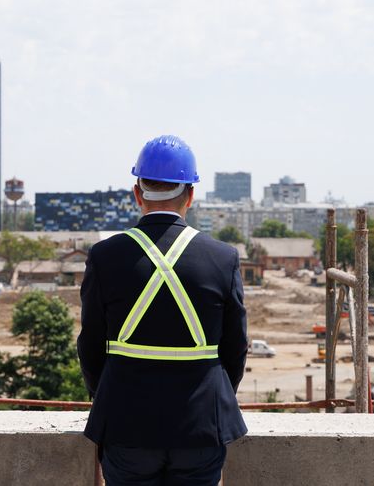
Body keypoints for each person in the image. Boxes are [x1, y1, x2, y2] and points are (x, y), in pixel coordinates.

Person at [78, 134, 248, 486]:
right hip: (201, 427)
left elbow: (90, 345)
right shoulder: (222, 258)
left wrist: (108, 394)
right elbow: (236, 348)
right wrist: (213, 397)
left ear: (137, 193)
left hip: (126, 424)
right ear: (191, 195)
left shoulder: (105, 256)